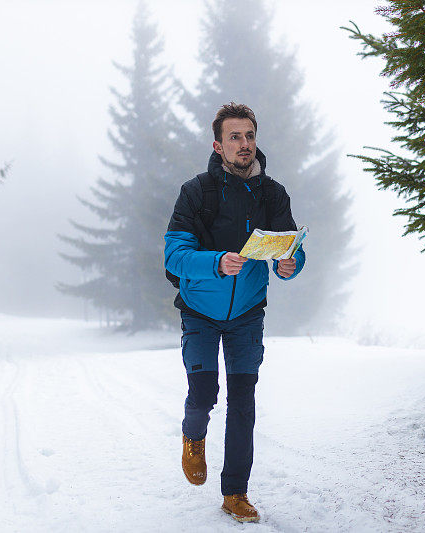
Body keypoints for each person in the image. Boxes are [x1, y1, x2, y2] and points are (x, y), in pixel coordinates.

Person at [163, 102, 305, 523]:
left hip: (247, 313)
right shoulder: (197, 192)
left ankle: (236, 493)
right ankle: (193, 435)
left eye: (249, 136)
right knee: (205, 395)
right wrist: (215, 262)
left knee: (243, 402)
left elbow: (292, 249)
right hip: (199, 311)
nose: (244, 144)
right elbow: (173, 255)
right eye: (234, 137)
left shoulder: (272, 194)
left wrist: (290, 264)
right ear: (218, 145)